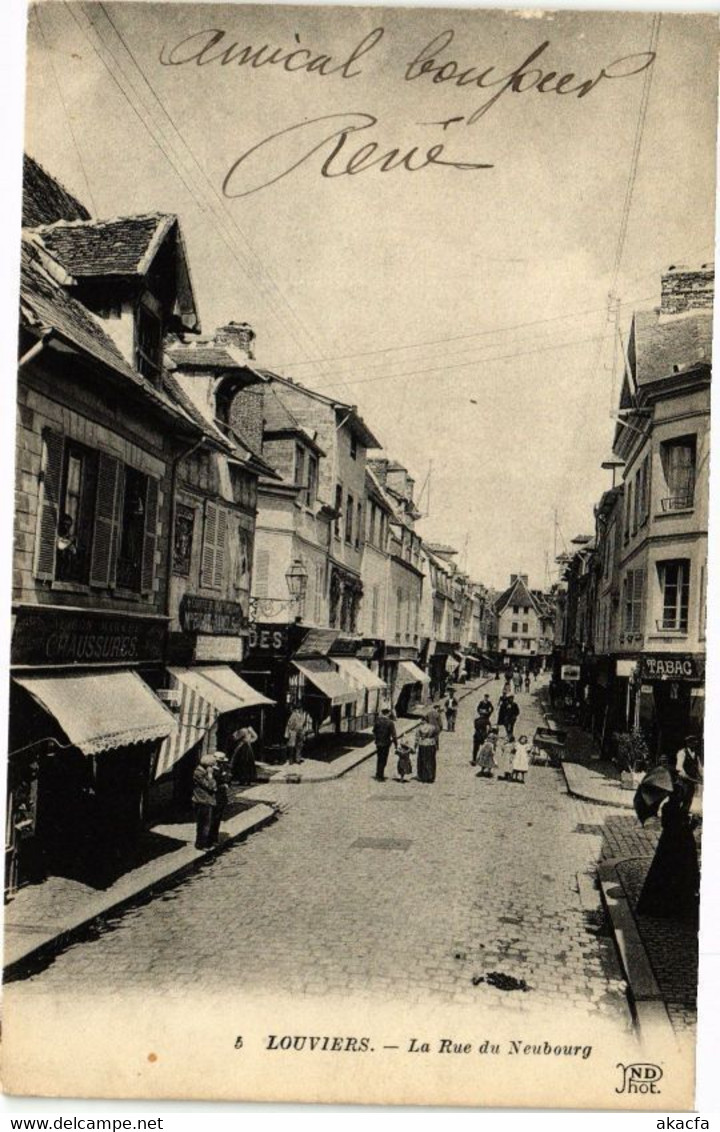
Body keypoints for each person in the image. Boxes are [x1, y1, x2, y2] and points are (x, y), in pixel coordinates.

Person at [637, 782, 700, 923]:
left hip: (667, 846)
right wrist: (692, 824)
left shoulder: (668, 807)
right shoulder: (676, 809)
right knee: (675, 875)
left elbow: (670, 825)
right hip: (676, 848)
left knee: (663, 874)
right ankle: (671, 908)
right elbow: (680, 830)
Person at [192, 753, 217, 850]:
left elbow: (214, 786)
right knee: (203, 824)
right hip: (202, 801)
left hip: (206, 801)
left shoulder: (204, 772)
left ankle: (205, 843)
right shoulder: (198, 773)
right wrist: (210, 776)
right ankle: (200, 844)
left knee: (207, 824)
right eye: (212, 765)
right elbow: (210, 786)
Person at [209, 752, 232, 845]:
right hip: (214, 797)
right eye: (218, 762)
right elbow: (212, 784)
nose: (219, 763)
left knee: (217, 818)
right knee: (212, 819)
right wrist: (223, 785)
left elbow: (228, 778)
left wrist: (226, 781)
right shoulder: (210, 770)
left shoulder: (223, 768)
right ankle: (209, 839)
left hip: (221, 797)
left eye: (221, 762)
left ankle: (214, 838)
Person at [675, 735, 702, 809]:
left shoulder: (696, 755)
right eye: (692, 743)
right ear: (688, 743)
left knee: (688, 801)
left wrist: (701, 777)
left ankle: (684, 817)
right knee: (680, 799)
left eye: (695, 743)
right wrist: (685, 776)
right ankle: (677, 817)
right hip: (683, 782)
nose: (694, 745)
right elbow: (679, 767)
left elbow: (699, 768)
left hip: (691, 782)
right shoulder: (682, 753)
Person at [373, 708, 398, 781]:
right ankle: (380, 775)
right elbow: (394, 735)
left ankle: (378, 773)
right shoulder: (390, 723)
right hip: (386, 743)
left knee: (379, 758)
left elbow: (374, 731)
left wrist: (377, 738)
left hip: (378, 743)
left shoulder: (377, 721)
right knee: (384, 759)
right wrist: (396, 744)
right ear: (388, 713)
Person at [415, 719, 439, 783]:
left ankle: (423, 776)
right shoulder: (433, 728)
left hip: (422, 744)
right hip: (431, 744)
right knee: (431, 760)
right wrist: (437, 746)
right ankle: (431, 776)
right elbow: (436, 737)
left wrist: (415, 747)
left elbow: (417, 738)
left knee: (422, 760)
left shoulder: (420, 728)